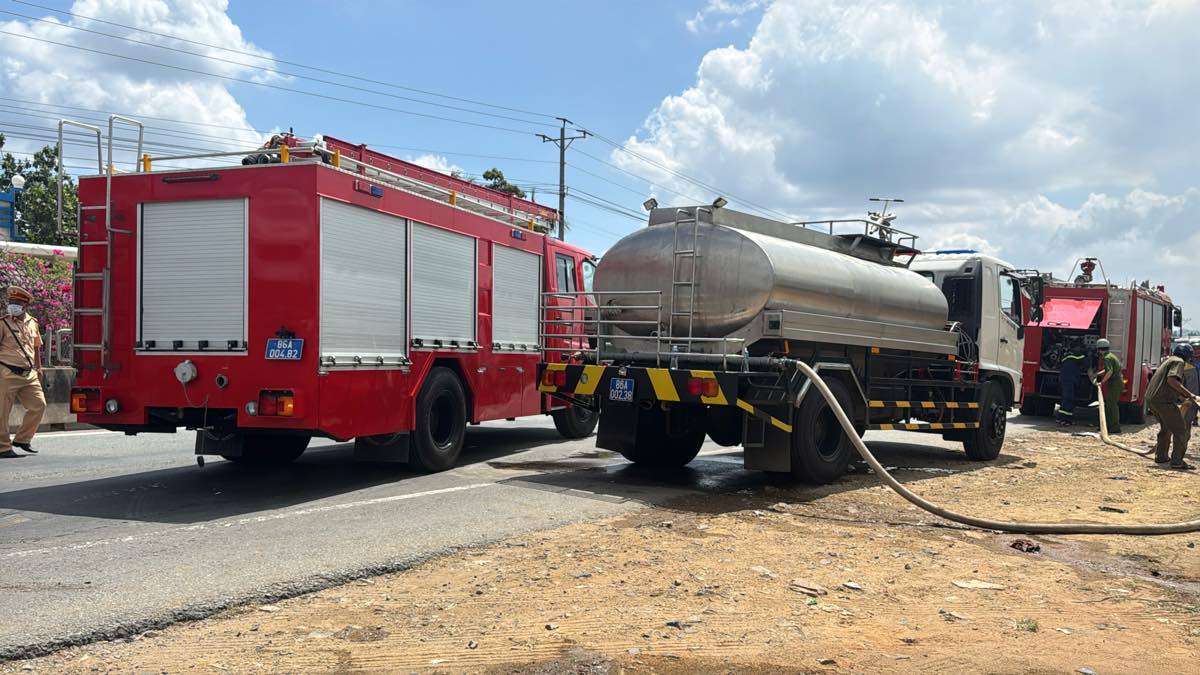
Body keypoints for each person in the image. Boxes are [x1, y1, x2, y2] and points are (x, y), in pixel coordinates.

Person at [0, 286, 46, 458]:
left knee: (39, 406)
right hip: (7, 371)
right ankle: (3, 447)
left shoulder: (33, 322)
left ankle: (23, 439)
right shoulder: (3, 323)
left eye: (17, 303)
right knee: (2, 412)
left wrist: (39, 369)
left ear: (25, 305)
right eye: (11, 302)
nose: (12, 305)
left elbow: (35, 347)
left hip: (29, 374)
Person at [1145, 343, 1200, 470]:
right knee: (1181, 430)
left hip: (1152, 400)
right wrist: (1190, 394)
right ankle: (1177, 461)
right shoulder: (1178, 362)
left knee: (1166, 428)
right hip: (1163, 402)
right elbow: (1172, 380)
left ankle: (1161, 456)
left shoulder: (1168, 360)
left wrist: (1182, 397)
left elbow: (1166, 384)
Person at [1095, 338, 1123, 435]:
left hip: (1115, 383)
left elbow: (1110, 372)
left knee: (1112, 405)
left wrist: (1101, 382)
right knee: (1110, 405)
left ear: (1099, 349)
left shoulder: (1107, 358)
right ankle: (1109, 425)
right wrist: (1098, 375)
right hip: (1116, 382)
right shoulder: (1111, 356)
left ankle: (1115, 427)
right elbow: (1108, 370)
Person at [1056, 344, 1088, 426]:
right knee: (1068, 399)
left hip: (1064, 379)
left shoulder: (1066, 357)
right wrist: (1089, 355)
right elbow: (1086, 365)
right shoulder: (1079, 357)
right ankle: (1061, 418)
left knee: (1069, 399)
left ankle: (1067, 419)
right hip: (1069, 381)